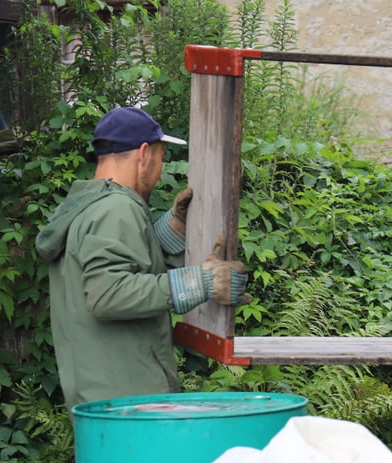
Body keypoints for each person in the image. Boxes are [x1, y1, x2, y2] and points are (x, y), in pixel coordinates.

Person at [36, 106, 249, 409]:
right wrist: (203, 283)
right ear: (144, 154)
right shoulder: (116, 210)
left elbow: (122, 268)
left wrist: (172, 228)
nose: (160, 171)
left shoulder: (90, 205)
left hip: (101, 401)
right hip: (130, 406)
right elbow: (108, 293)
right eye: (161, 159)